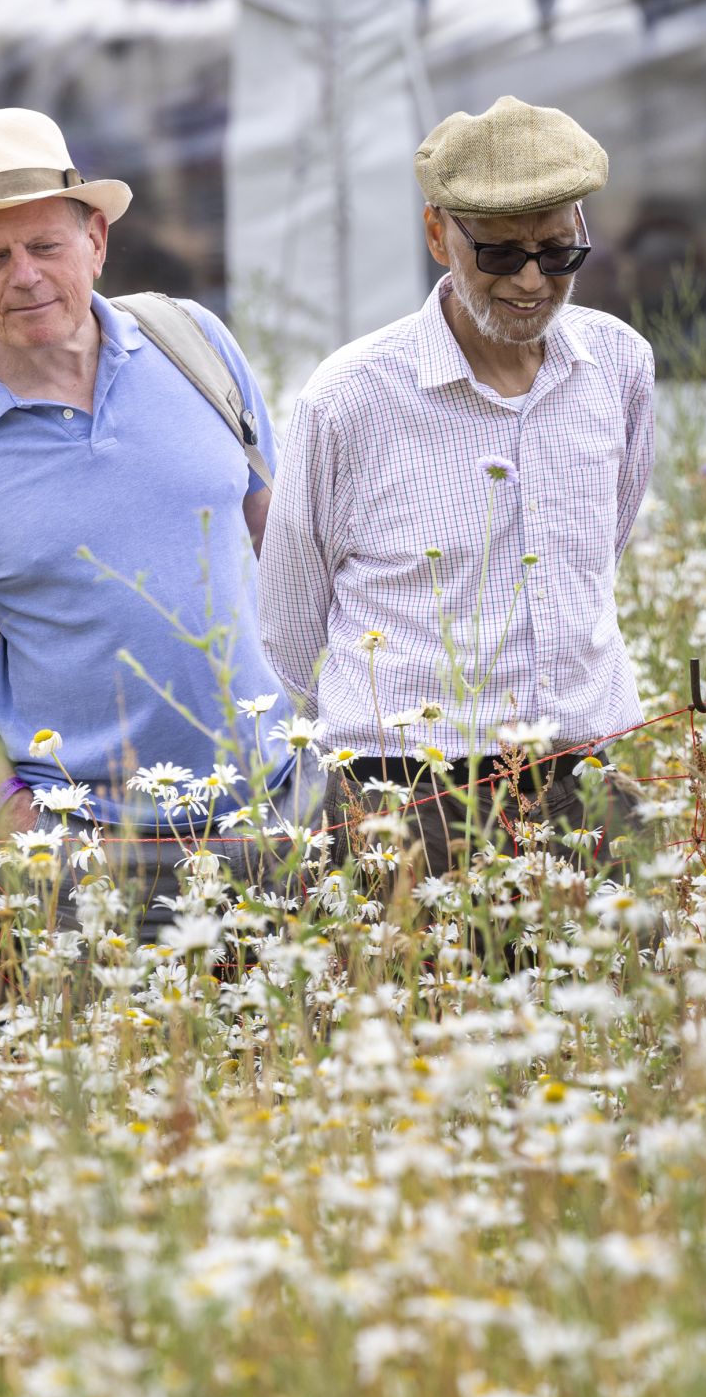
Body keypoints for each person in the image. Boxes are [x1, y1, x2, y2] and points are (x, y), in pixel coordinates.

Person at [0, 104, 298, 853]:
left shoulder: (195, 344)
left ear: (95, 242)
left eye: (45, 244)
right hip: (91, 847)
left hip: (277, 808)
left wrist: (318, 737)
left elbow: (280, 542)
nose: (26, 275)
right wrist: (17, 820)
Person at [258, 96, 656, 865]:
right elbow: (289, 623)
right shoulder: (352, 396)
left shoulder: (620, 364)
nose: (533, 280)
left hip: (582, 772)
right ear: (438, 233)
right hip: (410, 798)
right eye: (502, 255)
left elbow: (604, 548)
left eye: (560, 252)